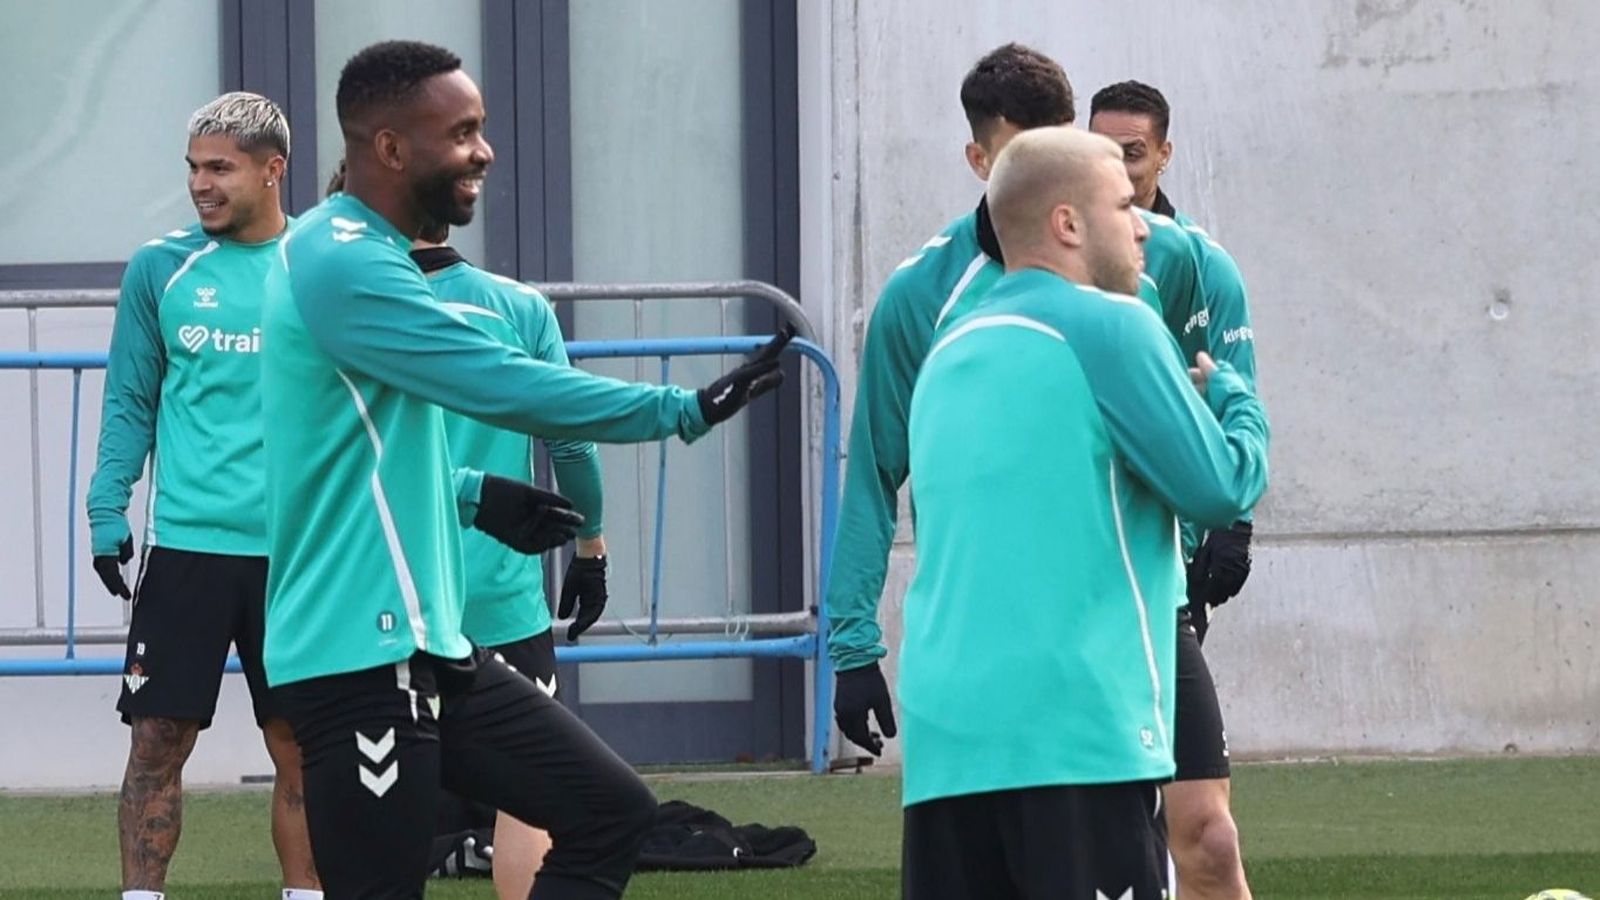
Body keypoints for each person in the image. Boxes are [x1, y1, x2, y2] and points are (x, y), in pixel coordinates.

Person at [261, 40, 789, 898]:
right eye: (462, 133)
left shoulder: (360, 249)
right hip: (360, 652)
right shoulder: (343, 259)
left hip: (430, 645)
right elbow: (502, 382)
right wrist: (681, 410)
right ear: (390, 147)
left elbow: (360, 451)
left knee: (610, 809)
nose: (485, 151)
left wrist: (475, 496)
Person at [899, 124, 1269, 899]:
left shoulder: (948, 349)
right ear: (1067, 223)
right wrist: (1235, 397)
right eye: (1125, 207)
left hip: (944, 752)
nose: (1144, 226)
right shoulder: (1113, 325)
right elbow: (1222, 486)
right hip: (1076, 739)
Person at [86, 92, 321, 900]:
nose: (199, 184)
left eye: (219, 168)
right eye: (193, 167)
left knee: (300, 744)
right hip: (188, 545)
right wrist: (106, 506)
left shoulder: (320, 267)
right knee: (156, 741)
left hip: (299, 552)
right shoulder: (160, 268)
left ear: (273, 169)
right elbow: (130, 398)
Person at [1092, 79, 1259, 900]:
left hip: (1169, 576)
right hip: (1086, 581)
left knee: (1207, 835)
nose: (1120, 166)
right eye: (1103, 150)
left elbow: (1231, 386)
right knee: (1117, 830)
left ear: (1164, 154)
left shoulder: (1202, 265)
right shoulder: (1060, 269)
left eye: (1133, 151)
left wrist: (1231, 523)